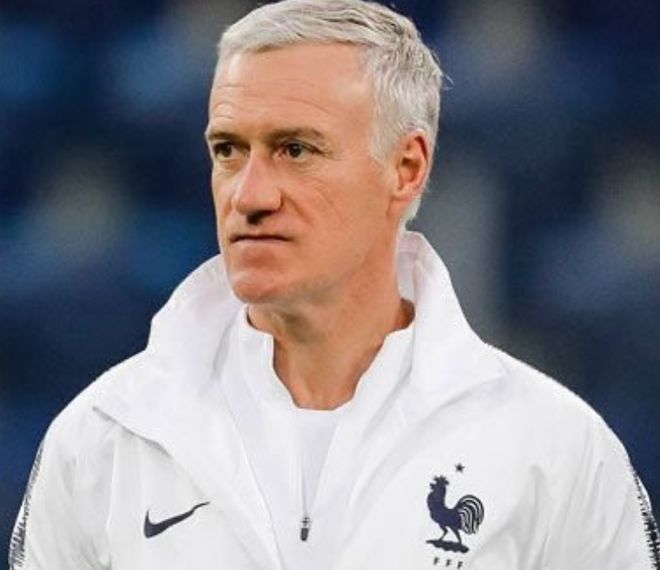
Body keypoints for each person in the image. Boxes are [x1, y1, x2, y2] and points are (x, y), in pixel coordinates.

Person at [9, 0, 658, 568]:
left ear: (406, 169)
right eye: (228, 150)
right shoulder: (100, 441)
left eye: (296, 150)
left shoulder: (559, 449)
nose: (250, 196)